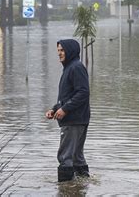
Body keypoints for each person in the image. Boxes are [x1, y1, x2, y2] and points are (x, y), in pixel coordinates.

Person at [45, 39, 90, 182]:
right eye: (58, 50)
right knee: (76, 157)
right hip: (77, 119)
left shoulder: (75, 67)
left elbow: (83, 92)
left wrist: (65, 109)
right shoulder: (70, 68)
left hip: (73, 120)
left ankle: (66, 189)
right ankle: (81, 186)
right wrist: (55, 109)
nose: (59, 53)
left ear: (70, 51)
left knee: (65, 156)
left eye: (62, 50)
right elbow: (68, 95)